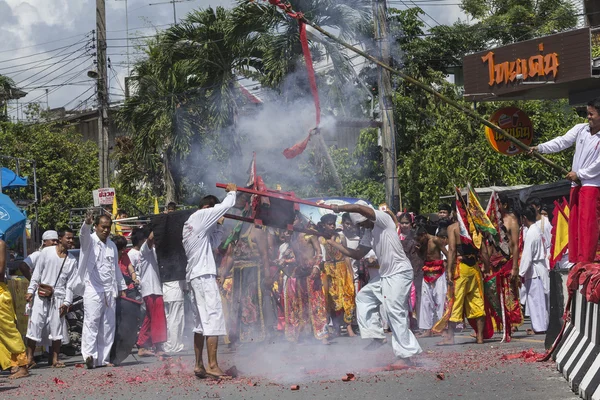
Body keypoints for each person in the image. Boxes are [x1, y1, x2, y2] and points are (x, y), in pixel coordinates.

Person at [328, 201, 422, 367]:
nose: (362, 226)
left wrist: (340, 208)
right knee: (364, 298)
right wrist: (334, 244)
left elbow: (359, 208)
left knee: (394, 309)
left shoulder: (383, 219)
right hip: (386, 276)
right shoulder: (368, 231)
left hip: (400, 272)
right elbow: (357, 254)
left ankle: (405, 356)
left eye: (362, 222)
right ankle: (377, 336)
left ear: (366, 215)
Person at [529, 98, 600, 263]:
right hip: (576, 183)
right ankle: (576, 258)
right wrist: (540, 148)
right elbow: (561, 142)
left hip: (591, 184)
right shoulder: (580, 129)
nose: (588, 117)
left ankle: (586, 260)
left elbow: (598, 164)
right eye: (587, 113)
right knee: (574, 222)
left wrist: (580, 174)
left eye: (591, 114)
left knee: (587, 223)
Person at [182, 184, 236, 379]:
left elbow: (213, 244)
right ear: (207, 209)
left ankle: (199, 365)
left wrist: (219, 226)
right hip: (203, 276)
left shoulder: (190, 224)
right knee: (213, 318)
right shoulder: (201, 216)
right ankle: (212, 365)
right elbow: (225, 206)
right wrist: (232, 192)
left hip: (196, 276)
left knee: (200, 323)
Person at [71, 212, 127, 369]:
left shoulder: (112, 246)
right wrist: (86, 224)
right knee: (92, 323)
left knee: (108, 325)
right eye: (103, 227)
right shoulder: (90, 241)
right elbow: (83, 235)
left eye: (108, 227)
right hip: (92, 289)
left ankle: (103, 359)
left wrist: (121, 286)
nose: (106, 230)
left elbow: (115, 268)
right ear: (96, 227)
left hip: (109, 290)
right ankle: (89, 356)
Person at [25, 227, 78, 368]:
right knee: (35, 324)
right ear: (60, 239)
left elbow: (71, 284)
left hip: (59, 297)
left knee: (57, 328)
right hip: (41, 295)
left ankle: (54, 359)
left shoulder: (72, 260)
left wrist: (67, 302)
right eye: (68, 238)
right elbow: (37, 273)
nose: (71, 241)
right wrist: (30, 290)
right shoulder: (47, 252)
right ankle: (29, 358)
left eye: (72, 238)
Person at [437, 219, 487, 345]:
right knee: (477, 301)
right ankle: (480, 337)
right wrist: (487, 267)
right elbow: (484, 250)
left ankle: (450, 337)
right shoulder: (476, 226)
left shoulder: (453, 228)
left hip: (461, 269)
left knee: (455, 302)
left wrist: (449, 270)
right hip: (474, 268)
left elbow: (452, 250)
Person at [129, 227, 168, 357]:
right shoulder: (145, 250)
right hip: (152, 289)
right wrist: (159, 224)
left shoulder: (152, 251)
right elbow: (151, 238)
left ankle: (142, 345)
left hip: (152, 289)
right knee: (158, 318)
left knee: (149, 319)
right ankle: (158, 347)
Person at [318, 214, 356, 337]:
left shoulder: (341, 237)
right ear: (324, 225)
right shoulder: (320, 239)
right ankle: (335, 327)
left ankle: (349, 327)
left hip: (342, 269)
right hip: (328, 271)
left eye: (333, 223)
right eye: (329, 224)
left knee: (347, 297)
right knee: (331, 299)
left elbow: (346, 256)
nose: (332, 226)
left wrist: (350, 272)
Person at [0, 239, 29, 379]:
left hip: (0, 295)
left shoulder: (0, 244)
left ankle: (23, 365)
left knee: (8, 331)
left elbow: (0, 270)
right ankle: (12, 364)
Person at [519, 205, 550, 334]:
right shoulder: (536, 229)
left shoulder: (531, 232)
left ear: (524, 218)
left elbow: (527, 256)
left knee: (536, 300)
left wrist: (520, 273)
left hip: (535, 270)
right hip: (539, 268)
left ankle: (539, 327)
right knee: (540, 300)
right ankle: (541, 326)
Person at [415, 226, 448, 337]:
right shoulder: (423, 244)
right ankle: (427, 329)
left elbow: (446, 253)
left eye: (420, 238)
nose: (419, 240)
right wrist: (418, 250)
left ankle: (441, 328)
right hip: (427, 270)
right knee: (425, 301)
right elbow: (422, 257)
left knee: (440, 298)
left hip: (438, 270)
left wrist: (449, 270)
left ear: (424, 234)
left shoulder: (435, 240)